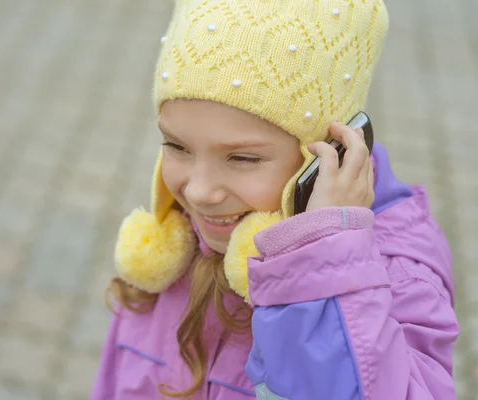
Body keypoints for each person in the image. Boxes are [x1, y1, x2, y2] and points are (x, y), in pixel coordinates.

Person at [90, 0, 459, 398]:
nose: (198, 191)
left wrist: (322, 263)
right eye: (177, 146)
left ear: (326, 155)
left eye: (242, 158)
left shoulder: (397, 276)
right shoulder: (172, 247)